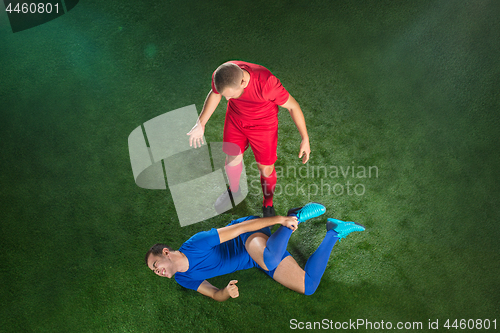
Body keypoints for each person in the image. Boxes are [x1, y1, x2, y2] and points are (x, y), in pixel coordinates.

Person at [145, 203, 365, 301]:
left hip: (247, 236)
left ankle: (293, 217)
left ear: (166, 253)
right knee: (308, 287)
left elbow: (238, 229)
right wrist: (226, 292)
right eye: (154, 271)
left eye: (156, 265)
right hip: (257, 259)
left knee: (269, 260)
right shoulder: (183, 278)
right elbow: (214, 294)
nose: (157, 271)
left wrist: (281, 220)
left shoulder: (196, 244)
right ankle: (334, 232)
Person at [187, 61, 311, 217]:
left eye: (230, 95)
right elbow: (215, 93)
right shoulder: (222, 73)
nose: (227, 99)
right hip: (235, 120)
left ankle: (268, 203)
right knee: (232, 158)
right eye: (225, 95)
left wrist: (305, 138)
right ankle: (234, 191)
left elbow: (293, 106)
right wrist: (201, 123)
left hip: (263, 125)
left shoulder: (267, 83)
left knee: (265, 169)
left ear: (244, 82)